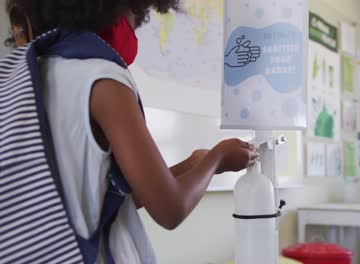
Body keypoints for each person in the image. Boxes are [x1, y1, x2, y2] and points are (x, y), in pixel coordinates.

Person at [5, 0, 258, 262]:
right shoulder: (102, 78)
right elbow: (170, 209)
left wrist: (193, 165)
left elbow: (102, 200)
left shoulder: (24, 83)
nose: (134, 32)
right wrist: (217, 158)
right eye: (136, 19)